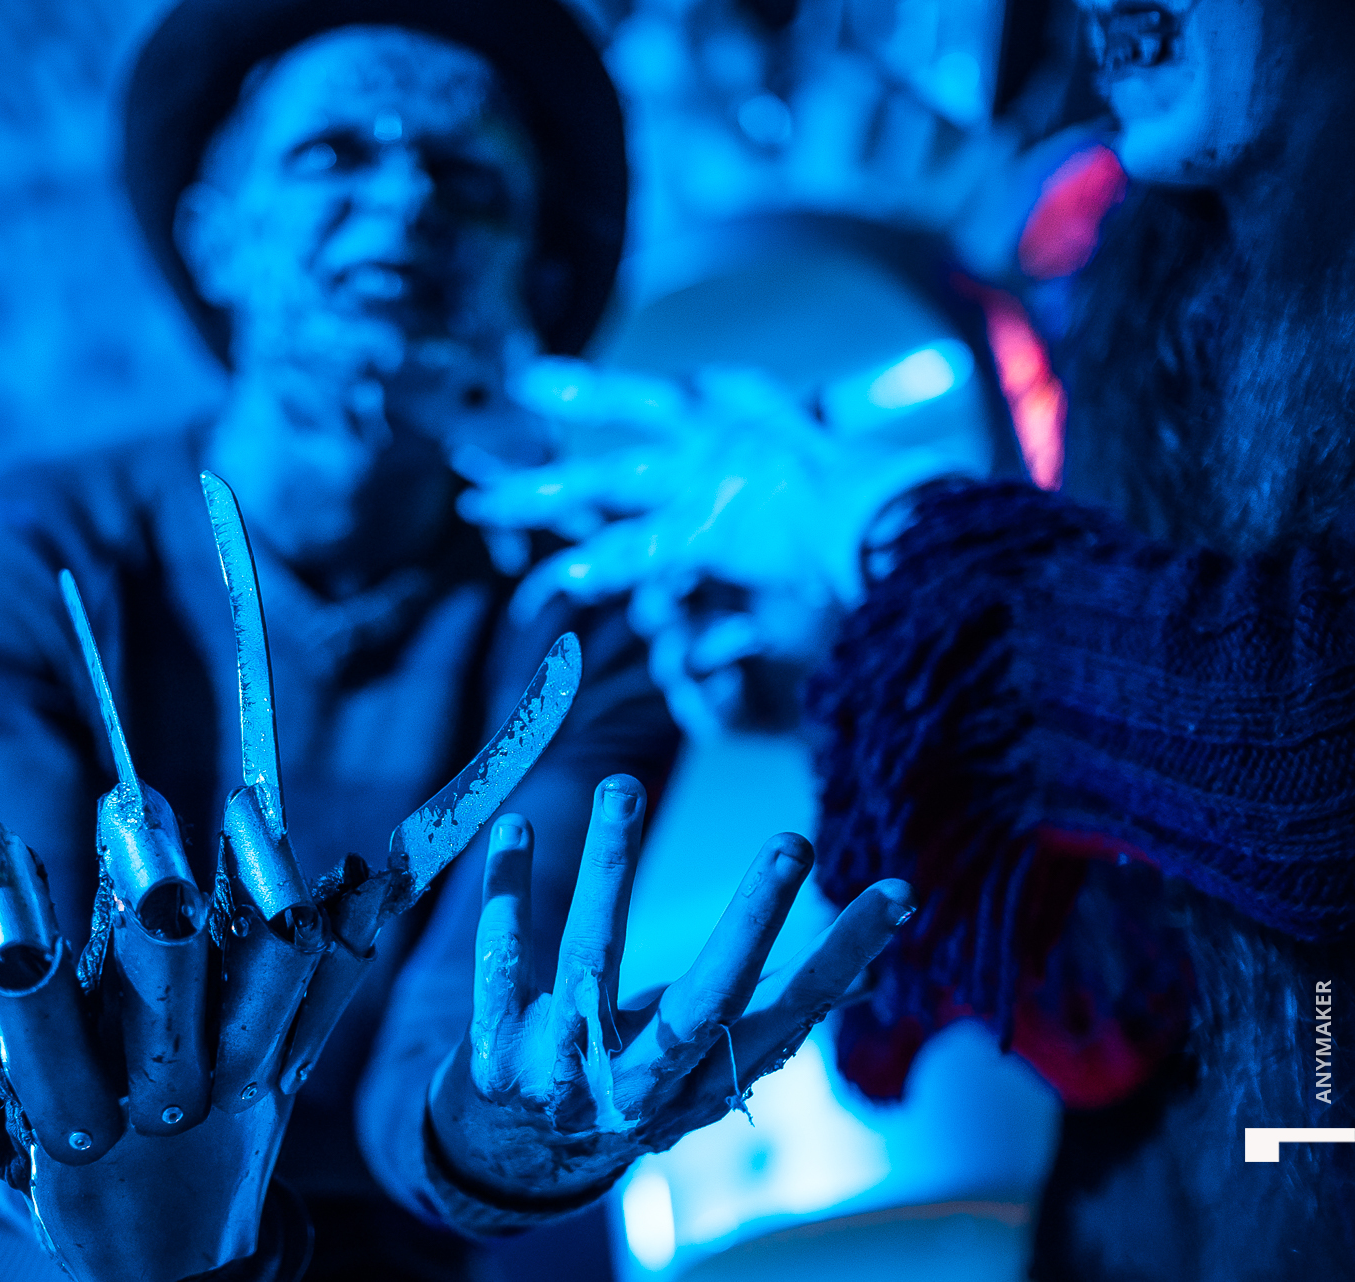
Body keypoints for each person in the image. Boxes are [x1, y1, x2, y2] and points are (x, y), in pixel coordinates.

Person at [0, 2, 912, 1279]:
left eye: (469, 181)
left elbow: (453, 1038)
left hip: (381, 1237)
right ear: (215, 234)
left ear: (536, 281)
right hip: (34, 1240)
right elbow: (41, 1035)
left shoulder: (577, 614)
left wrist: (505, 1128)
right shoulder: (25, 568)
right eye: (333, 155)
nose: (406, 202)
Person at [459, 0, 1355, 1275]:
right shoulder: (1167, 311)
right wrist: (862, 655)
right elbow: (1128, 988)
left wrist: (872, 528)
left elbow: (1313, 766)